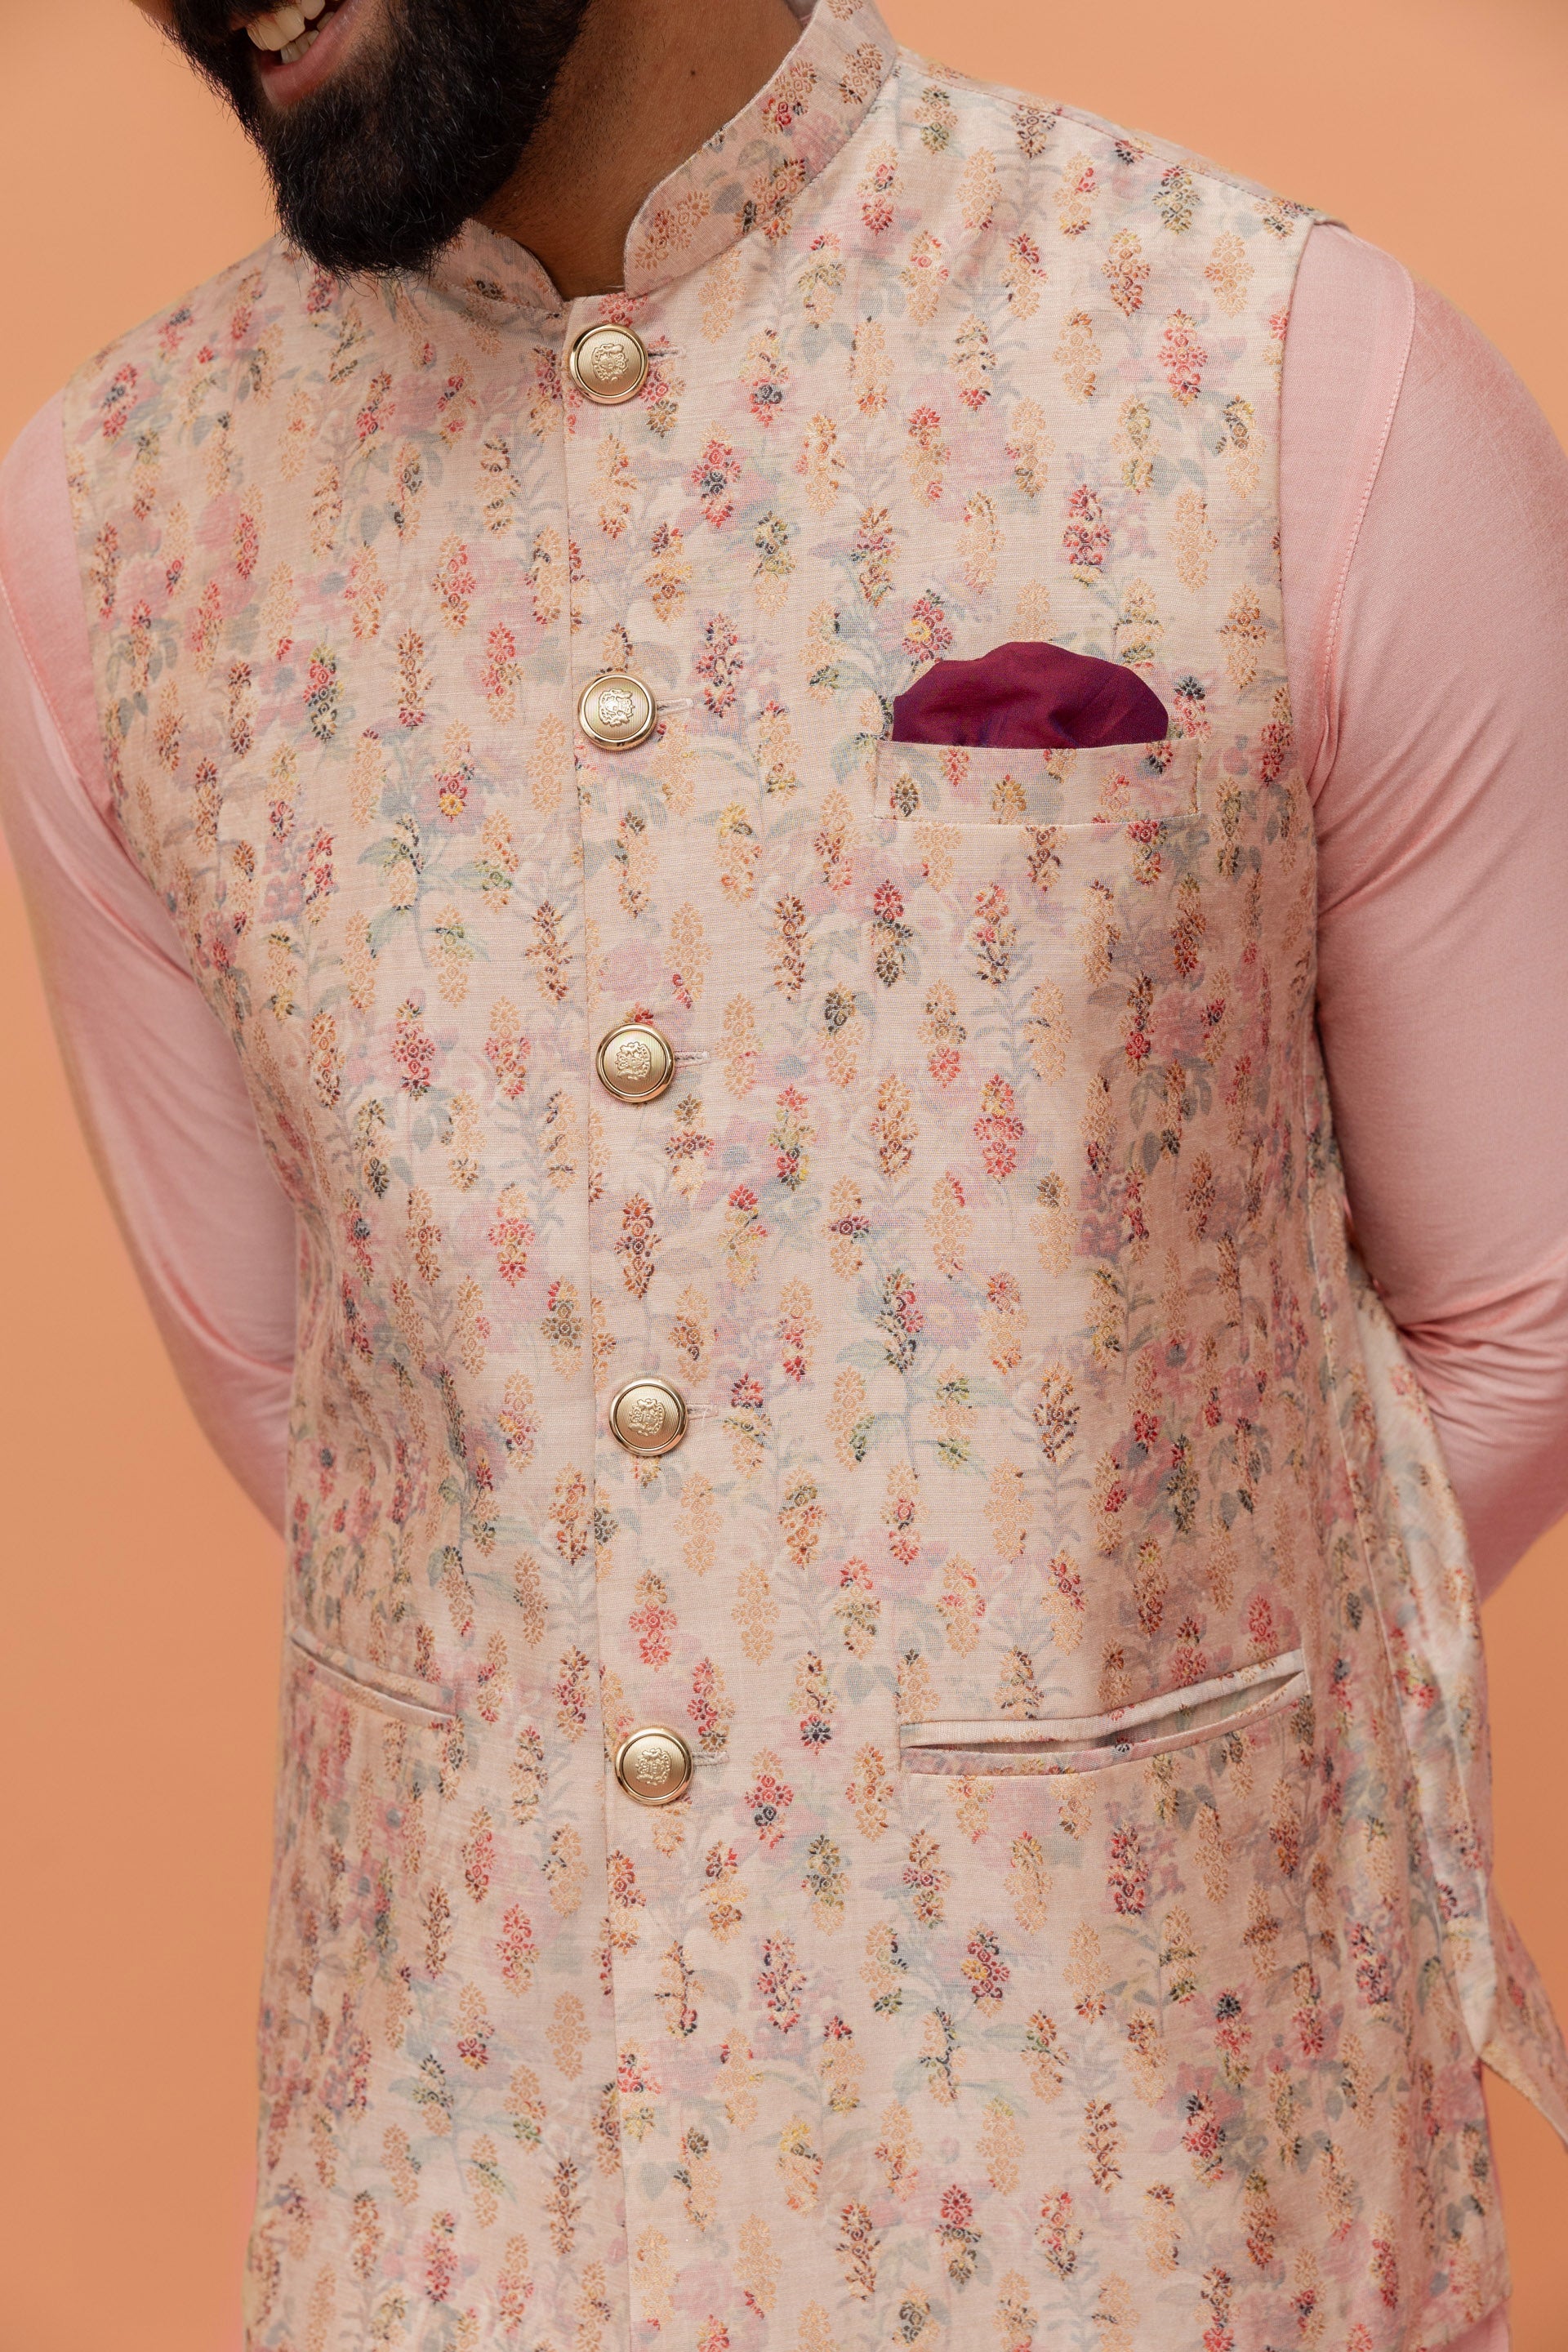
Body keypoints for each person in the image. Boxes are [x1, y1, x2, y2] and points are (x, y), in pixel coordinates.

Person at [2, 0, 1566, 2341]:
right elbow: (322, 1401)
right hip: (454, 2231)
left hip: (1164, 2217)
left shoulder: (1281, 380)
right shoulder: (112, 526)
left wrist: (1067, 1707)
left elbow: (1527, 1317)